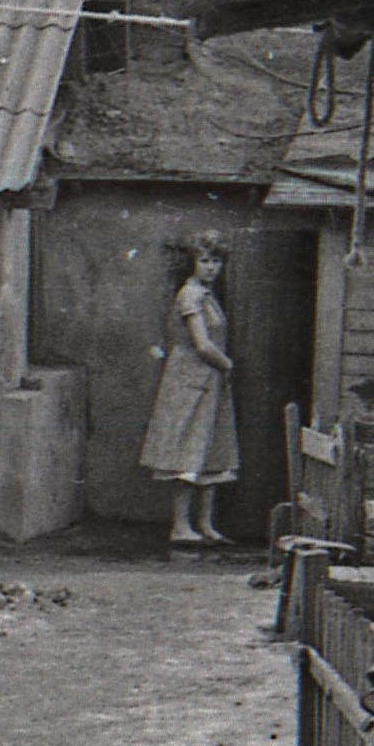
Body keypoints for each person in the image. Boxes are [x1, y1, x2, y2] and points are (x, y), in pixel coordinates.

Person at [141, 231, 241, 545]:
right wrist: (227, 364)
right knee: (187, 449)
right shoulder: (191, 295)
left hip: (209, 380)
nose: (211, 267)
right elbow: (202, 345)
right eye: (205, 261)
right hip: (190, 379)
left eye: (216, 261)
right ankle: (181, 526)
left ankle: (206, 524)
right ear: (193, 263)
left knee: (210, 448)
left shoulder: (208, 296)